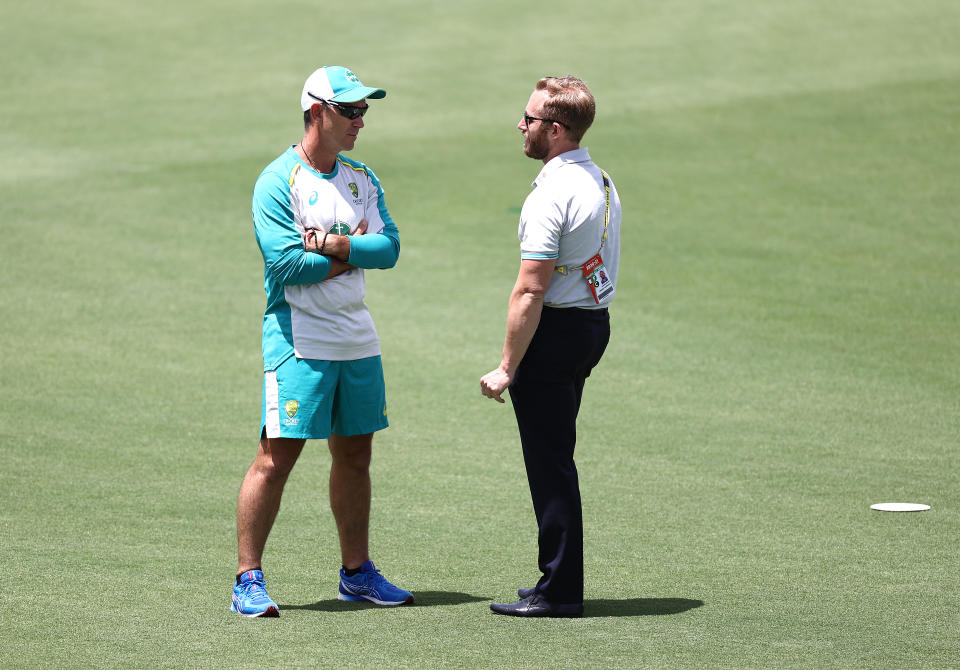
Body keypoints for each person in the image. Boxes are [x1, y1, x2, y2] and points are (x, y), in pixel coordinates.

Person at [232, 66, 412, 617]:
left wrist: (332, 245)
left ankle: (356, 574)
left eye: (364, 110)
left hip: (357, 339)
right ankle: (248, 578)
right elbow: (288, 265)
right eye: (350, 110)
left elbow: (391, 248)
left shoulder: (361, 178)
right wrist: (352, 251)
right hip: (298, 342)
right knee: (276, 457)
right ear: (317, 112)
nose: (362, 120)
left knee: (356, 455)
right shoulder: (277, 180)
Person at [480, 76, 622, 618]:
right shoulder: (601, 179)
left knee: (550, 463)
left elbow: (531, 287)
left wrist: (507, 366)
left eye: (530, 119)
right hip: (591, 328)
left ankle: (559, 589)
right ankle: (555, 575)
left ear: (555, 130)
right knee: (556, 455)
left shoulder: (552, 191)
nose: (521, 125)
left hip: (555, 334)